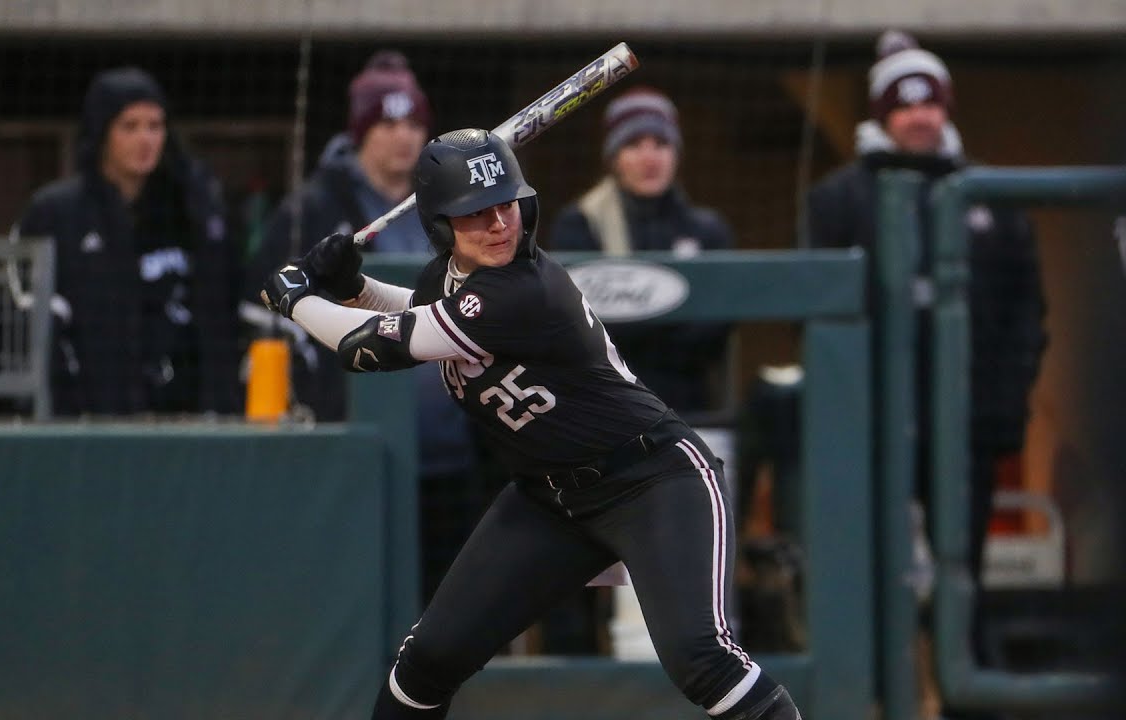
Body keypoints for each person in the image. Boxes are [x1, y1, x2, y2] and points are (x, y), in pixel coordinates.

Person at [261, 128, 802, 720]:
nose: (498, 224)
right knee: (428, 659)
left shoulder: (524, 290)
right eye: (474, 213)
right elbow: (414, 314)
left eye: (506, 205)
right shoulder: (450, 281)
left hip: (651, 479)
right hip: (551, 497)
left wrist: (294, 299)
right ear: (441, 226)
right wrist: (353, 287)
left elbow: (368, 349)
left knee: (703, 660)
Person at [805, 29, 1046, 703]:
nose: (920, 117)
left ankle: (967, 699)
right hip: (874, 430)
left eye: (931, 104)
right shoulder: (838, 200)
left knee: (962, 573)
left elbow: (1027, 312)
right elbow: (821, 321)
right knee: (873, 573)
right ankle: (875, 700)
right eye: (905, 106)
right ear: (883, 114)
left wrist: (1003, 412)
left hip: (966, 427)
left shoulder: (988, 196)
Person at [246, 51, 490, 604]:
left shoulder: (450, 208)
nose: (402, 137)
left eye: (412, 123)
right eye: (386, 123)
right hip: (358, 443)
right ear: (359, 131)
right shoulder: (315, 207)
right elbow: (266, 311)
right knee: (362, 603)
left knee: (454, 601)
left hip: (451, 444)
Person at [15, 66, 242, 416]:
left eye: (155, 126)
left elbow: (220, 312)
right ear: (102, 132)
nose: (145, 139)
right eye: (130, 126)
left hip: (183, 421)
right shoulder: (58, 213)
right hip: (88, 424)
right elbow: (29, 325)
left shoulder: (189, 210)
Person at [548, 86, 735, 418]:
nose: (650, 158)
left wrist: (641, 332)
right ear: (613, 157)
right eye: (634, 145)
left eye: (661, 144)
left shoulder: (708, 230)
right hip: (604, 406)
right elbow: (578, 330)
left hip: (689, 406)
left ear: (676, 152)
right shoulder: (580, 225)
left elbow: (717, 327)